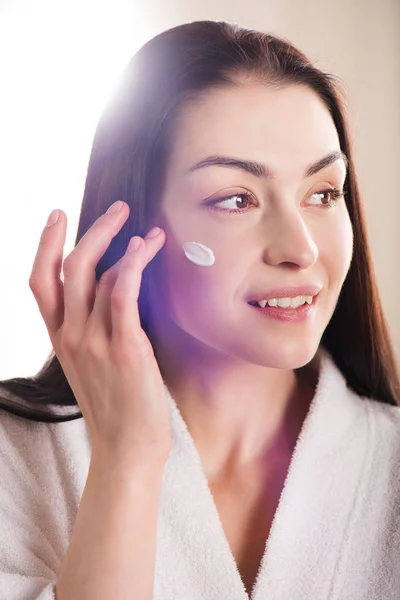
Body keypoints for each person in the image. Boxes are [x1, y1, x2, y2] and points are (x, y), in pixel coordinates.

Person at [0, 19, 399, 600]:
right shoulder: (14, 458)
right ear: (131, 226)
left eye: (324, 193)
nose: (302, 249)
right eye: (235, 198)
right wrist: (126, 459)